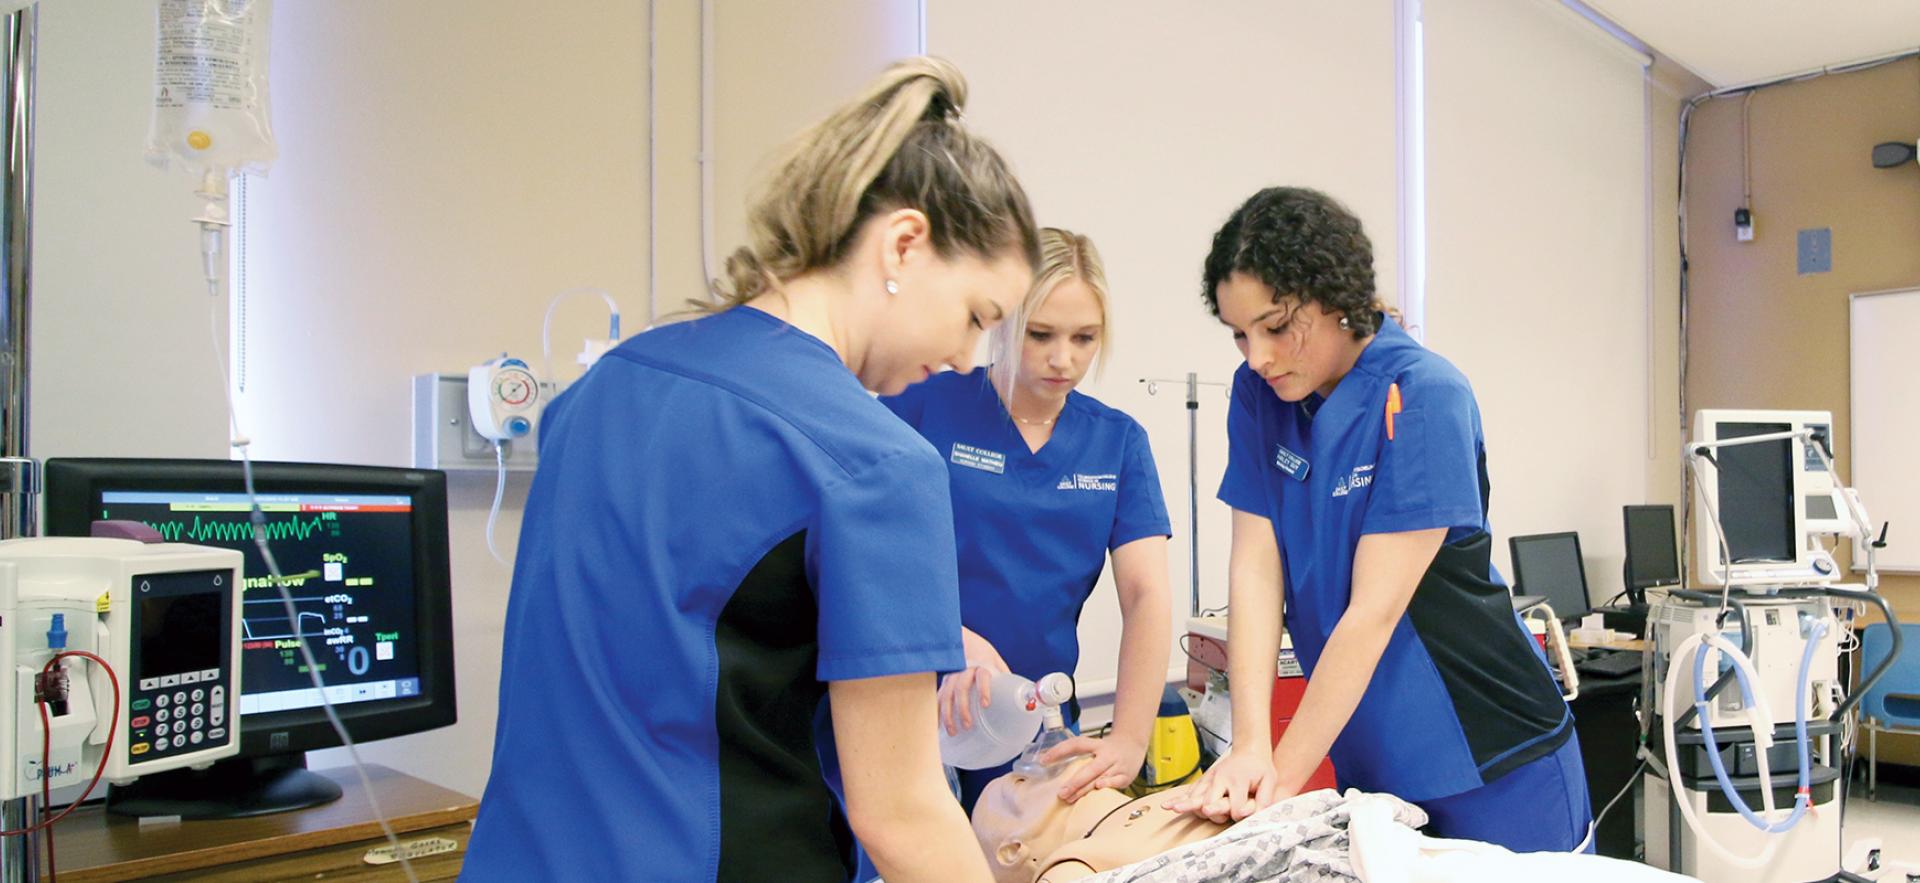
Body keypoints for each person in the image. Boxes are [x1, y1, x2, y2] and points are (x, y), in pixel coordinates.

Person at [465, 58, 1039, 882]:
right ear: (905, 243)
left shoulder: (599, 393)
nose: (964, 356)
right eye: (976, 315)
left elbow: (673, 638)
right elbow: (901, 811)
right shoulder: (876, 463)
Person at [1165, 187, 1591, 852]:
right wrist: (1250, 744)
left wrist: (1273, 790)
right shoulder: (1258, 396)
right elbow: (1254, 566)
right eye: (1239, 333)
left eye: (1277, 327)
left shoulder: (1423, 394)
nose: (1257, 356)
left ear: (1336, 297)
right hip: (1373, 765)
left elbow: (1372, 614)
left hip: (1495, 757)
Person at [880, 228, 1172, 811]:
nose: (1062, 358)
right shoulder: (923, 405)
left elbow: (1146, 595)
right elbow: (862, 556)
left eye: (1084, 338)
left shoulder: (1117, 442)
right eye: (1040, 334)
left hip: (1033, 722)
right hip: (911, 704)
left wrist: (1130, 737)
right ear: (1004, 319)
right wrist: (949, 640)